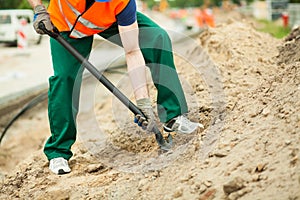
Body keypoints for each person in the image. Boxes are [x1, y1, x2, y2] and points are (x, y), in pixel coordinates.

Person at [27, 0, 203, 175]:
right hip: (65, 26)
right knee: (64, 78)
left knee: (157, 37)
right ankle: (58, 151)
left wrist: (143, 103)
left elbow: (132, 51)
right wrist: (39, 9)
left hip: (107, 20)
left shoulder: (123, 2)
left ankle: (174, 116)